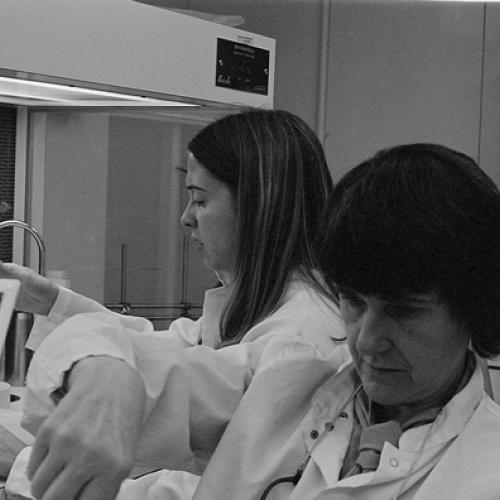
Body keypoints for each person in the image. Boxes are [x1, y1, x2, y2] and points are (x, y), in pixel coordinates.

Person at [17, 142, 500, 500]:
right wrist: (106, 375)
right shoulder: (293, 382)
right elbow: (114, 349)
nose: (367, 341)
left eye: (404, 311)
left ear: (474, 307)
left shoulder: (486, 471)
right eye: (352, 302)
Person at [0, 109, 345, 495]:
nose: (185, 218)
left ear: (259, 205)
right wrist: (50, 303)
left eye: (199, 199)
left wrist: (25, 468)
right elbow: (163, 351)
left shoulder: (301, 338)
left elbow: (213, 487)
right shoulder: (255, 306)